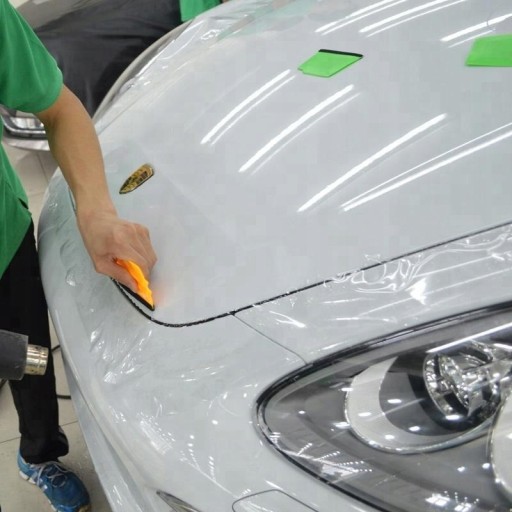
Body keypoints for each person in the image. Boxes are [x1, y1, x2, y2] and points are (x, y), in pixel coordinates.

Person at [0, 0, 157, 510]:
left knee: (31, 363)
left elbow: (60, 109)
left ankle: (39, 454)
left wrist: (97, 214)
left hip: (4, 242)